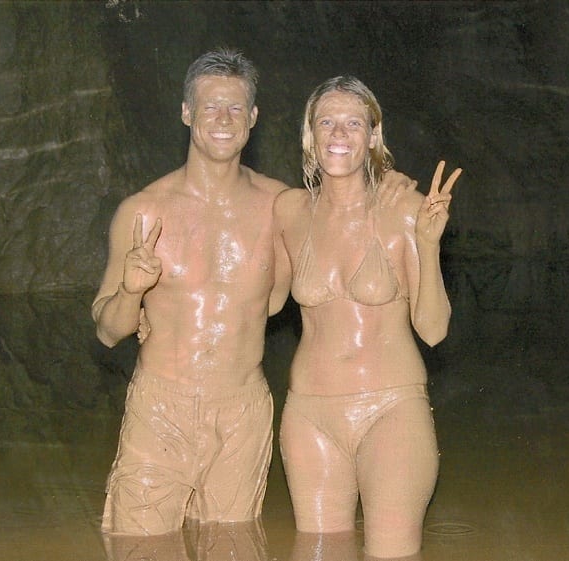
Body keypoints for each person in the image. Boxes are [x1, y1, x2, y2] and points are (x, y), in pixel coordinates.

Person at [92, 48, 414, 536]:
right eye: (209, 107)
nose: (223, 119)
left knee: (232, 546)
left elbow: (345, 201)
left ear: (253, 118)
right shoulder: (142, 212)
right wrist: (131, 294)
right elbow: (108, 331)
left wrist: (390, 181)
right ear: (186, 113)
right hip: (161, 408)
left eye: (236, 108)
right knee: (140, 546)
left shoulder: (279, 207)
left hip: (243, 411)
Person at [273, 75, 461, 558]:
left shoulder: (406, 210)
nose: (339, 134)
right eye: (326, 123)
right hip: (309, 415)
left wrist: (427, 242)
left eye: (353, 123)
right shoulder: (289, 211)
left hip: (390, 410)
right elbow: (260, 296)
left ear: (373, 136)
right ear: (310, 136)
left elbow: (434, 330)